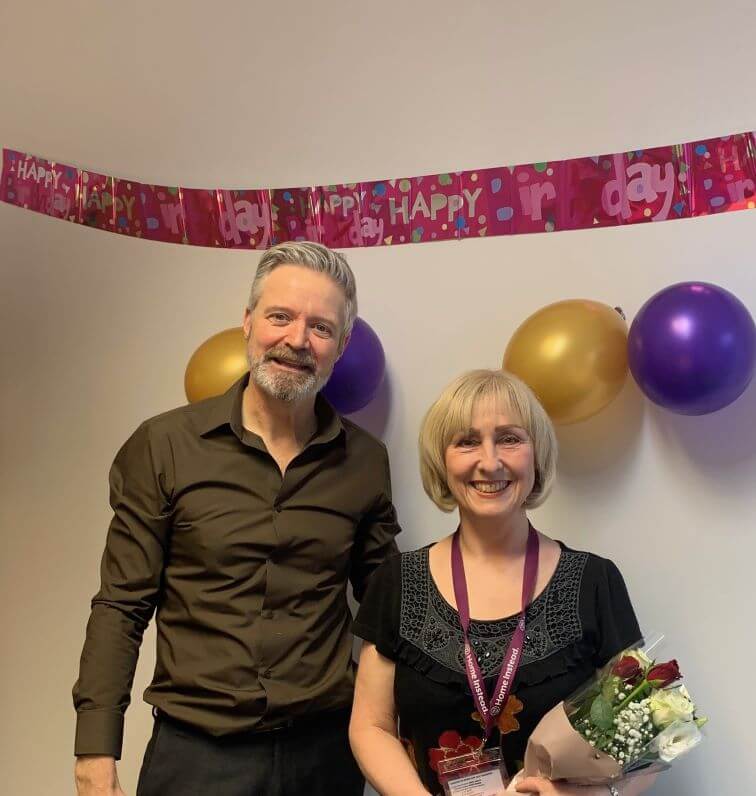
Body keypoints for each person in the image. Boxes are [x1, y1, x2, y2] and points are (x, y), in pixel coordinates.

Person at [73, 241, 400, 796]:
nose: (297, 340)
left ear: (342, 346)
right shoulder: (164, 445)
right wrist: (95, 752)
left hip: (325, 759)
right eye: (280, 316)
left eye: (321, 327)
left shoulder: (366, 461)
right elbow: (121, 606)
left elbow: (385, 609)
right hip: (195, 759)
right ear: (248, 321)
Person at [350, 369, 655, 796]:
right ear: (441, 459)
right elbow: (371, 726)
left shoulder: (595, 581)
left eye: (510, 439)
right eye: (467, 441)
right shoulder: (397, 582)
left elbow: (650, 739)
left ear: (537, 455)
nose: (490, 462)